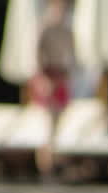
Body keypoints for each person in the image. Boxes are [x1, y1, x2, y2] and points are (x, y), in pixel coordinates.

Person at [30, 0, 75, 180]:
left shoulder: (67, 31)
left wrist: (67, 78)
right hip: (47, 77)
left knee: (58, 125)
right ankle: (47, 171)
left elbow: (72, 56)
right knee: (47, 126)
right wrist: (42, 79)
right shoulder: (44, 28)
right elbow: (36, 56)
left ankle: (53, 168)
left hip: (60, 77)